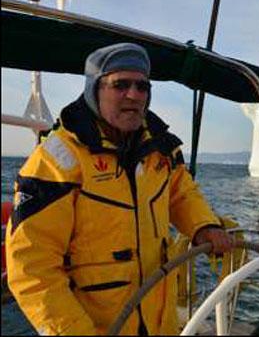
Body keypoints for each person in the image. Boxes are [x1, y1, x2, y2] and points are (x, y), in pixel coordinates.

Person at [6, 43, 236, 335]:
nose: (134, 95)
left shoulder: (161, 148)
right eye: (121, 85)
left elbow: (181, 193)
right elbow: (32, 268)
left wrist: (204, 226)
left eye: (142, 86)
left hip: (160, 323)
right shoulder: (56, 161)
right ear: (94, 90)